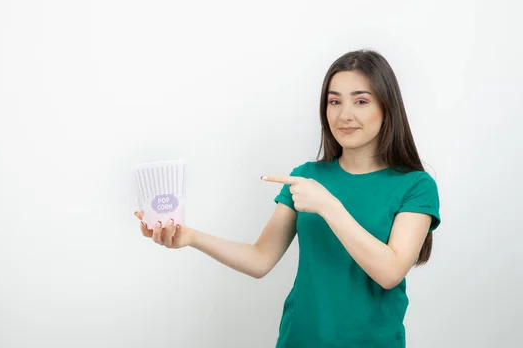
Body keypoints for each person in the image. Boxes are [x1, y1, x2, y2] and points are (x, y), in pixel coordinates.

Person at [134, 49, 441, 347]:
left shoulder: (415, 185)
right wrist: (190, 237)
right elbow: (260, 259)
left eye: (360, 101)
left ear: (387, 108)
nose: (344, 114)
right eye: (334, 102)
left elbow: (389, 272)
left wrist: (327, 205)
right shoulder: (307, 176)